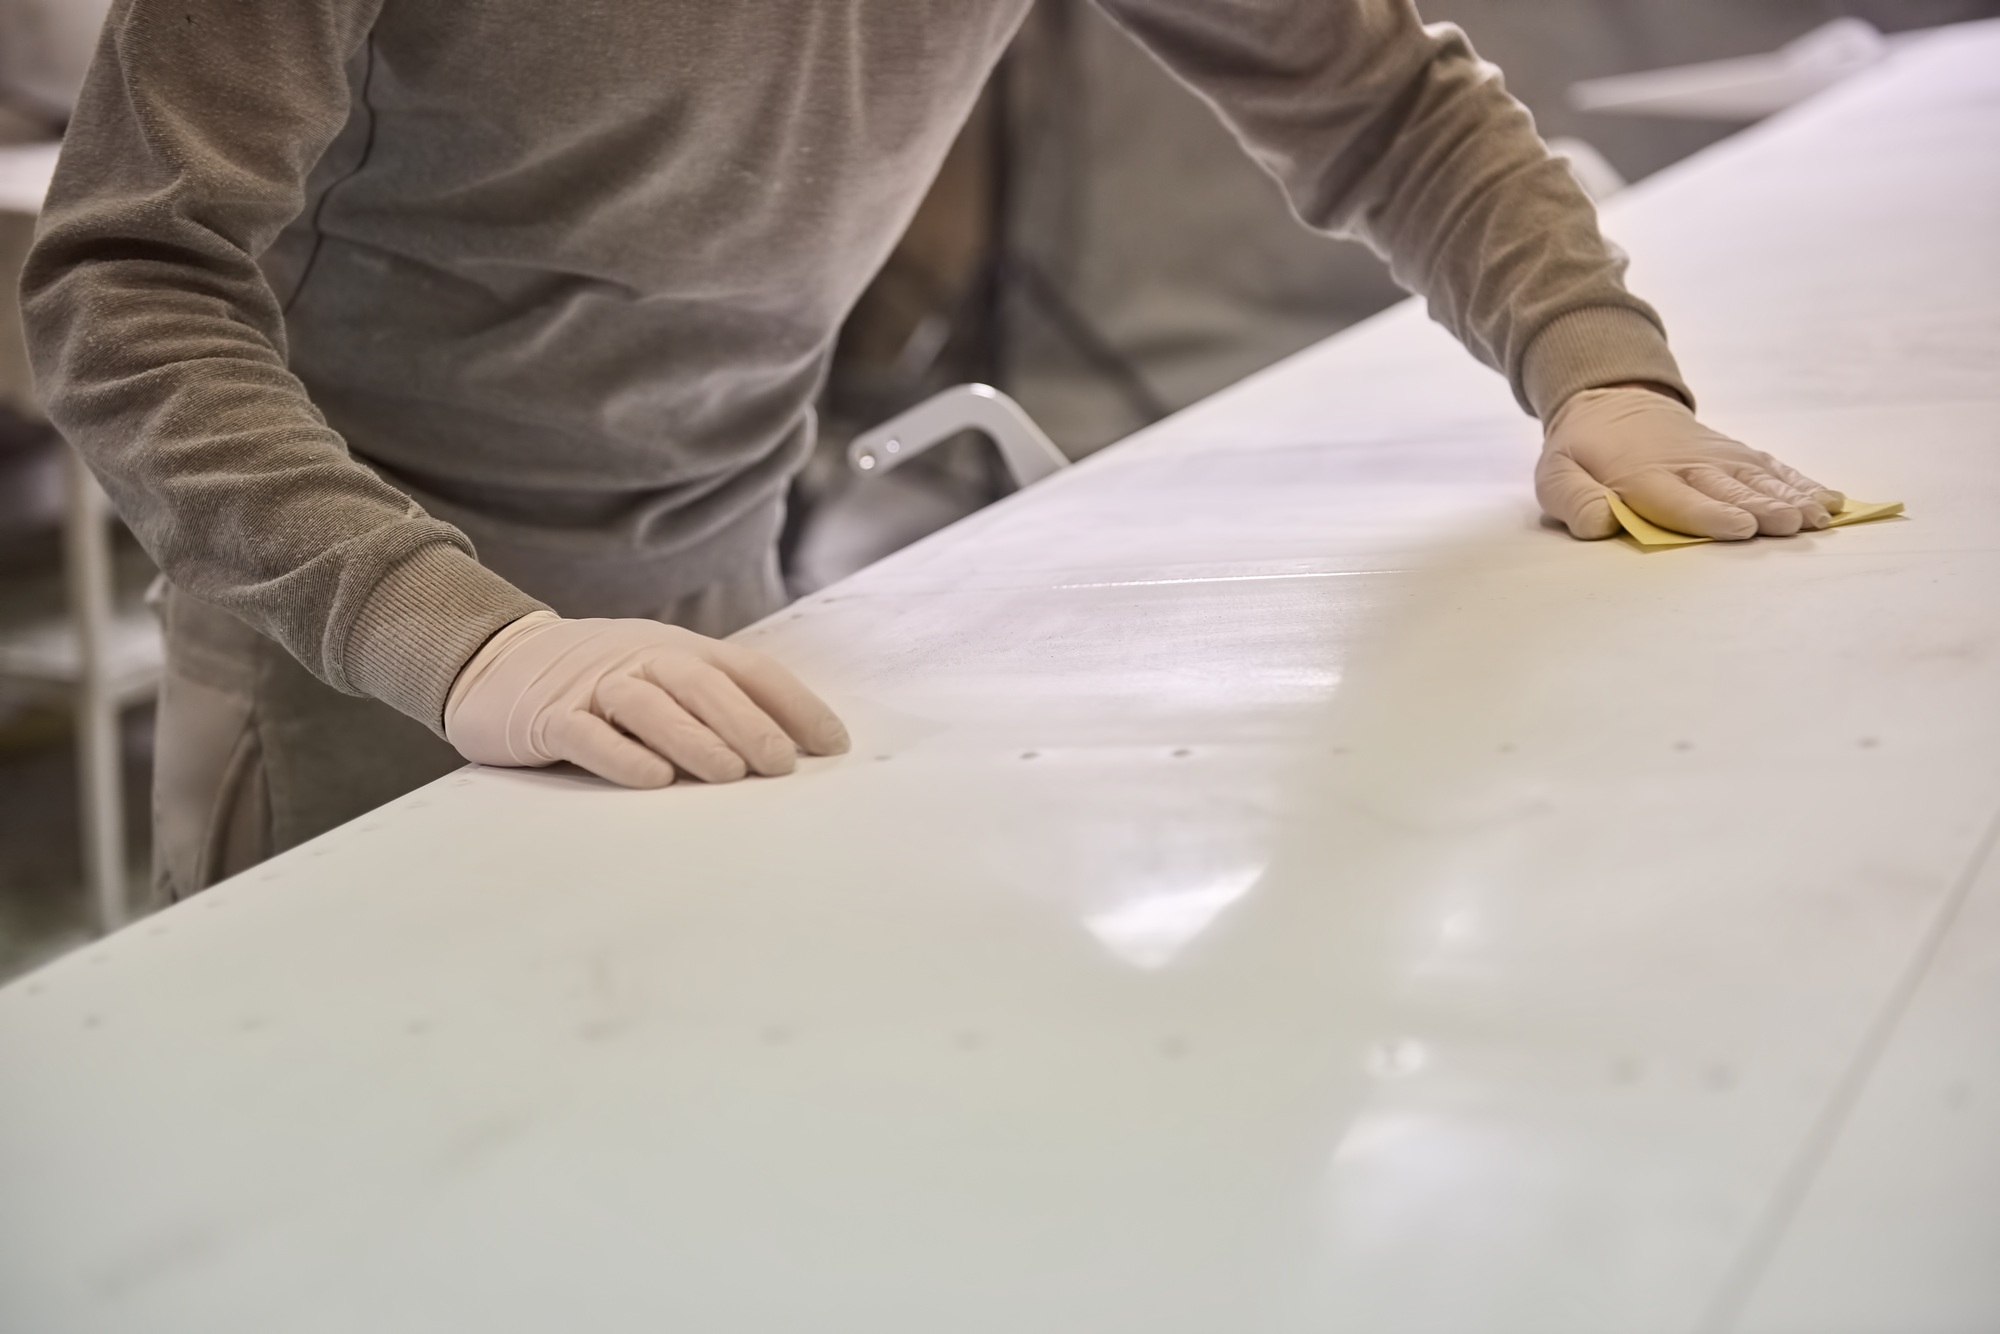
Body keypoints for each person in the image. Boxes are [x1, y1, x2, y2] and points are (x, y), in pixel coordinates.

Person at [20, 0, 1841, 901]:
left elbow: (1382, 97)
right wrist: (469, 639)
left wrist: (1598, 375)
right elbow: (124, 276)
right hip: (366, 662)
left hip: (736, 603)